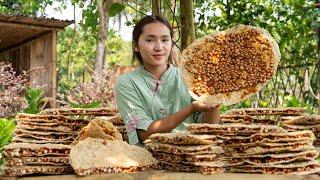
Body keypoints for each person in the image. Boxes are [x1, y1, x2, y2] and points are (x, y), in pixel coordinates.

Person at [115, 15, 220, 146]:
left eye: (165, 40)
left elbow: (209, 128)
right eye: (150, 40)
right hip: (147, 161)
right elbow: (144, 134)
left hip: (194, 156)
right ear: (136, 46)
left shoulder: (190, 77)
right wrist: (190, 108)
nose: (159, 47)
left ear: (171, 43)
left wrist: (216, 96)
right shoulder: (126, 82)